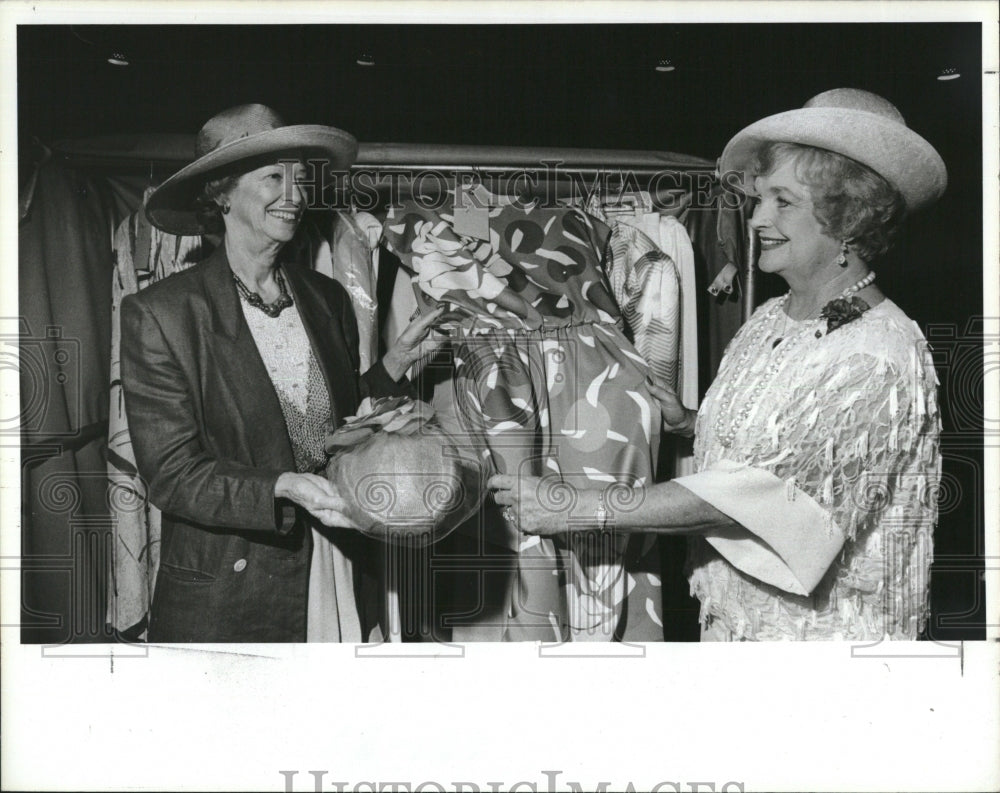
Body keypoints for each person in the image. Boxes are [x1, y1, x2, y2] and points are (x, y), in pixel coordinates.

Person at [491, 88, 945, 641]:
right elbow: (778, 445)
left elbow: (764, 498)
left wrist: (574, 507)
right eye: (759, 199)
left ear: (847, 219)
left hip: (817, 647)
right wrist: (691, 424)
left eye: (784, 201)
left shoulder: (877, 354)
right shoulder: (773, 317)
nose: (756, 220)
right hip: (734, 625)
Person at [122, 104, 443, 642]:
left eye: (300, 177)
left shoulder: (325, 298)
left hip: (332, 558)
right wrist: (282, 487)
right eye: (274, 177)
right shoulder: (162, 314)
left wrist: (394, 364)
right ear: (220, 194)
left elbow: (334, 421)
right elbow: (172, 473)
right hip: (234, 580)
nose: (294, 193)